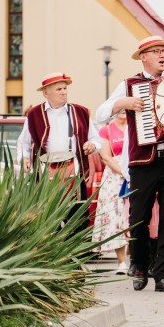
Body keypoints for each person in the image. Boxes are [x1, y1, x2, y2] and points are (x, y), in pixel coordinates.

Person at [96, 36, 164, 292]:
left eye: (163, 52)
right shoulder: (130, 84)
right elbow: (101, 113)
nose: (161, 55)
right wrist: (123, 103)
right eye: (155, 51)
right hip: (142, 161)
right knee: (138, 217)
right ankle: (140, 264)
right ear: (143, 56)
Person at [17, 72, 103, 227]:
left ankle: (78, 252)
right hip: (45, 174)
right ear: (45, 92)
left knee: (78, 220)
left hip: (75, 173)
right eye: (58, 89)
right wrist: (24, 158)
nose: (64, 92)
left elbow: (96, 139)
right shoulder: (34, 114)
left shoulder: (81, 112)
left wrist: (92, 146)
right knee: (48, 222)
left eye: (65, 88)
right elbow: (24, 143)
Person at [92, 110, 129, 273]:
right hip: (115, 175)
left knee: (134, 216)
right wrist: (123, 172)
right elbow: (105, 157)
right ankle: (121, 261)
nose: (122, 112)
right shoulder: (105, 130)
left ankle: (139, 259)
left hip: (136, 171)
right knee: (115, 216)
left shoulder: (134, 127)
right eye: (118, 109)